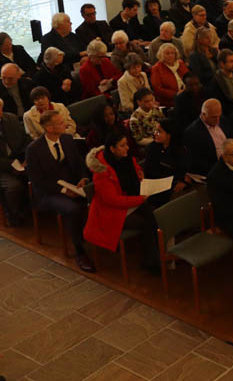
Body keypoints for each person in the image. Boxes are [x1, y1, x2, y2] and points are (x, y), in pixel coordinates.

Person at [26, 110, 95, 271]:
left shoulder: (67, 139)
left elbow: (79, 163)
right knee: (72, 209)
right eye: (61, 122)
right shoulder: (34, 149)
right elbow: (37, 181)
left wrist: (83, 178)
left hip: (73, 185)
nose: (65, 124)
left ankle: (97, 236)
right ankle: (80, 251)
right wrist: (64, 190)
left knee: (97, 196)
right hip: (49, 192)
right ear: (49, 128)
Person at [84, 129, 161, 274]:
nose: (127, 148)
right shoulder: (101, 171)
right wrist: (140, 199)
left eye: (126, 144)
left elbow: (133, 167)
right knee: (148, 222)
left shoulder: (124, 158)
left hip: (129, 200)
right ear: (112, 149)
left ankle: (155, 255)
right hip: (110, 212)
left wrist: (139, 172)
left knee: (155, 213)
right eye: (122, 145)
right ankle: (151, 260)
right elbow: (113, 200)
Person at [144, 119, 193, 206]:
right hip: (158, 187)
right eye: (155, 130)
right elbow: (153, 173)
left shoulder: (180, 149)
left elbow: (184, 168)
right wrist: (178, 179)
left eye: (159, 131)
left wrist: (184, 181)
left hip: (175, 183)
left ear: (169, 135)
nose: (155, 133)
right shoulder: (151, 149)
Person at [184, 99, 232, 176]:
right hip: (215, 170)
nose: (218, 120)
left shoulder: (222, 120)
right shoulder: (192, 132)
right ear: (203, 115)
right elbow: (197, 161)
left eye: (219, 115)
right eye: (214, 117)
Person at [0, 97, 29, 225]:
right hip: (2, 168)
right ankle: (13, 216)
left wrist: (26, 159)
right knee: (14, 186)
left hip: (19, 161)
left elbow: (25, 140)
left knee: (39, 173)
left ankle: (37, 210)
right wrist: (13, 166)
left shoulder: (11, 118)